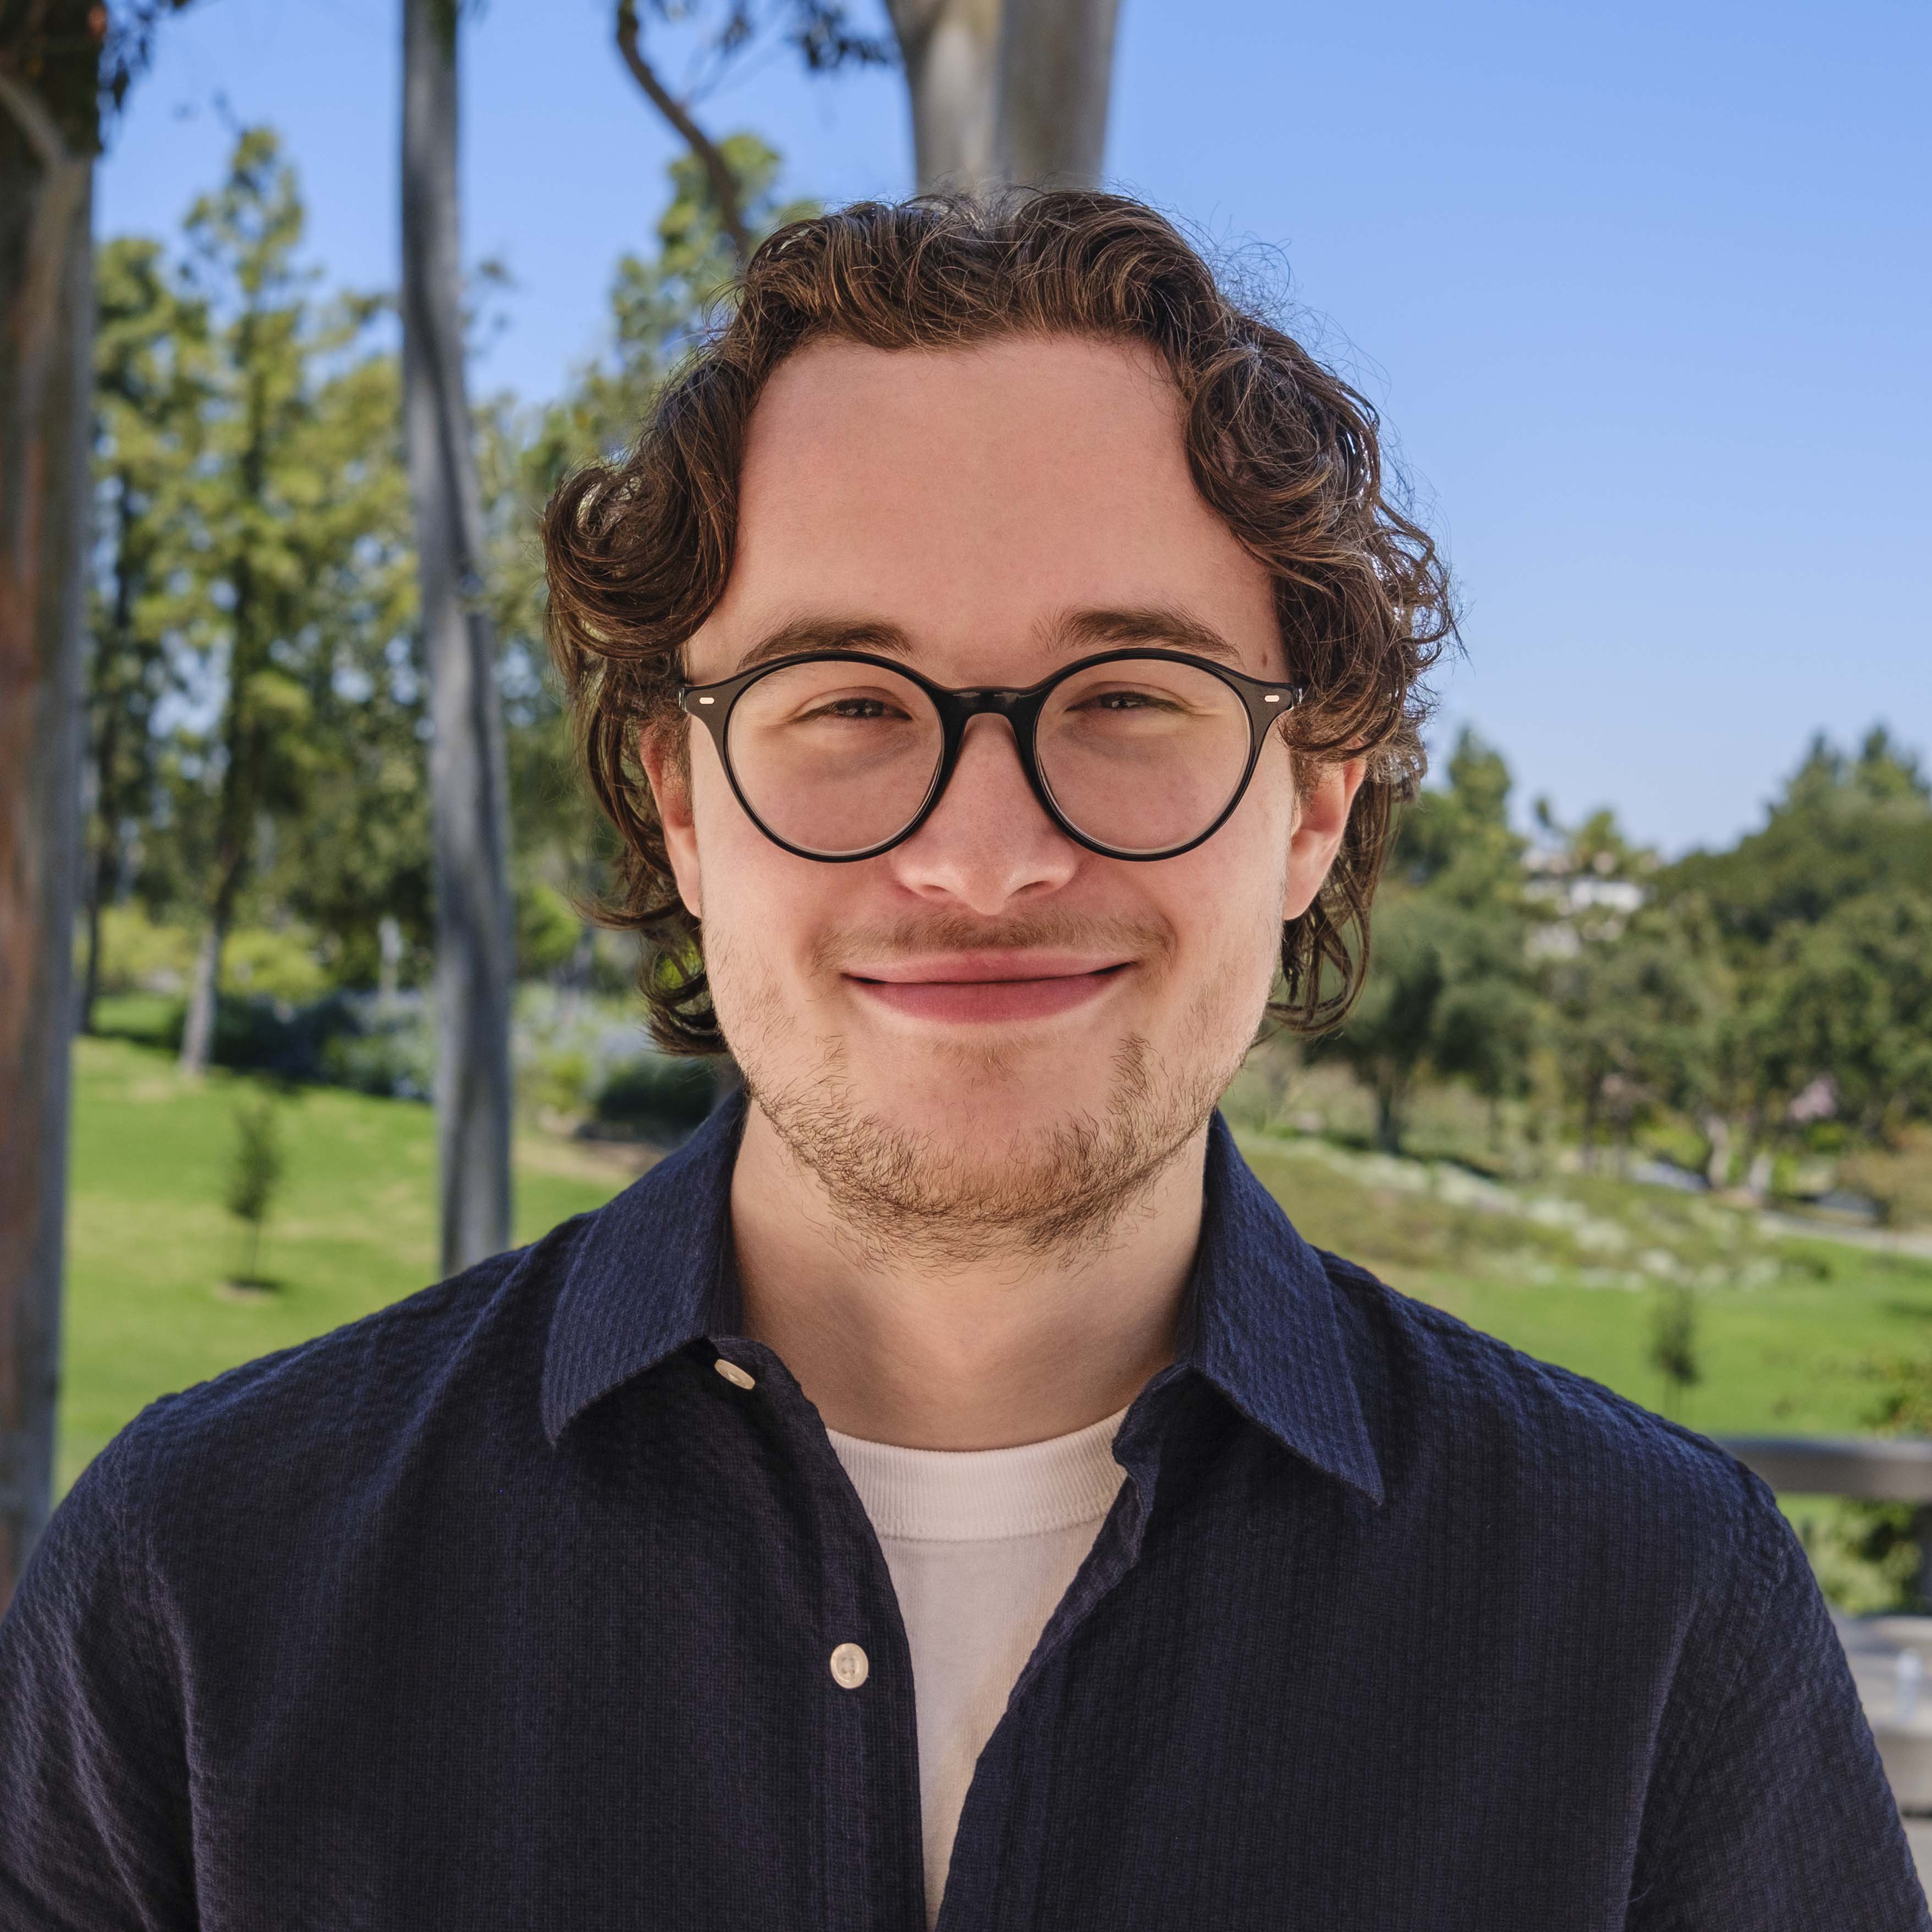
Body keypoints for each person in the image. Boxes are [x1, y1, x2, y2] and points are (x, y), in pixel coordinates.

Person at [0, 193, 1919, 1932]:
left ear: (1315, 805)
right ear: (681, 802)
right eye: (845, 700)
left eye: (1127, 699)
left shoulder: (1659, 1616)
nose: (987, 855)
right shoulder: (194, 1588)